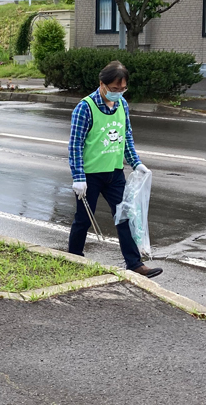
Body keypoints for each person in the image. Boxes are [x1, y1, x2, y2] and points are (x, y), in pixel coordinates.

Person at [68, 60, 162, 278]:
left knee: (124, 217)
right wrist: (78, 177)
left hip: (115, 173)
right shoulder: (85, 108)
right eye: (114, 89)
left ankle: (134, 264)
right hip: (90, 176)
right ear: (102, 84)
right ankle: (73, 258)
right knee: (83, 220)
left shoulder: (122, 105)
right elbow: (75, 145)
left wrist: (136, 163)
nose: (118, 93)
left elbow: (126, 136)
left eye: (122, 89)